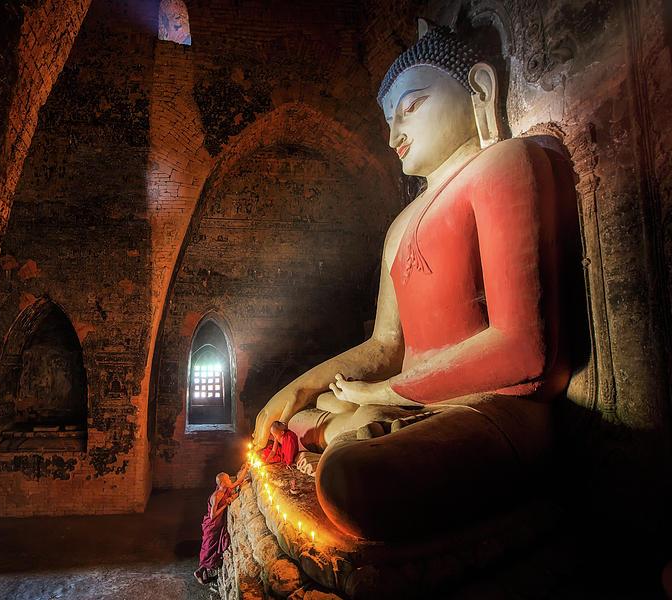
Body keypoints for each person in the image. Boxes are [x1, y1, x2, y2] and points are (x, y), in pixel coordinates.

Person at [251, 23, 571, 539]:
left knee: (352, 482)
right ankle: (353, 425)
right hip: (410, 397)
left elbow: (525, 349)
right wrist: (297, 388)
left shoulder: (505, 166)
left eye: (411, 106)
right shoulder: (399, 227)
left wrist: (389, 393)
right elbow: (385, 343)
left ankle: (355, 428)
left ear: (480, 91)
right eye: (387, 120)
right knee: (312, 412)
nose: (393, 134)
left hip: (491, 408)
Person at [194, 467, 248, 584]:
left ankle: (202, 572)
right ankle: (200, 571)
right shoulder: (217, 495)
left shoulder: (226, 488)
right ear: (222, 483)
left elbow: (237, 482)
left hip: (218, 523)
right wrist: (226, 504)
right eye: (228, 479)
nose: (230, 481)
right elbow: (213, 515)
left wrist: (247, 468)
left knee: (213, 548)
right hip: (212, 524)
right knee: (209, 548)